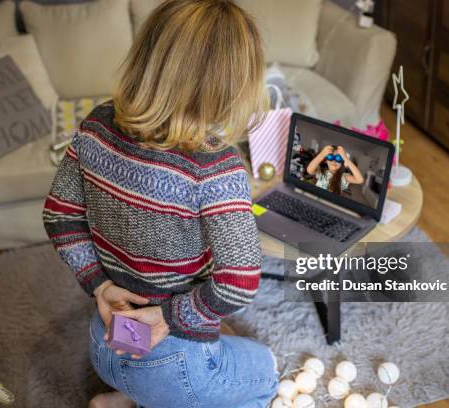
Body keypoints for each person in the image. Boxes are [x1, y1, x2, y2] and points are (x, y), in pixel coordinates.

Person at [42, 1, 278, 407]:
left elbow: (59, 215)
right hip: (175, 366)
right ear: (235, 84)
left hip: (107, 343)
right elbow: (239, 279)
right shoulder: (216, 166)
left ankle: (121, 397)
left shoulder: (96, 123)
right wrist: (166, 318)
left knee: (216, 349)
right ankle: (153, 397)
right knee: (266, 372)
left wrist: (99, 284)